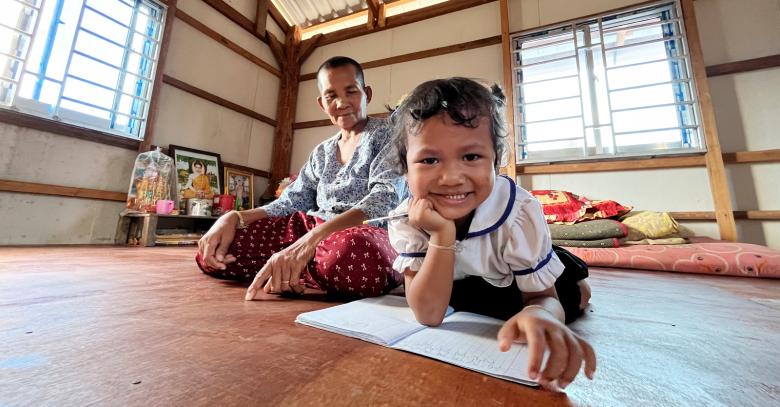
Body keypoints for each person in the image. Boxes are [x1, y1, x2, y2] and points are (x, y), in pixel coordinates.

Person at [387, 78, 596, 390]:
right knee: (467, 303)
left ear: (497, 160)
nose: (451, 178)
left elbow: (542, 298)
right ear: (405, 169)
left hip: (513, 277)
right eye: (429, 160)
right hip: (462, 281)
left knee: (573, 297)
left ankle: (571, 271)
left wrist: (543, 314)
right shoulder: (407, 217)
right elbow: (429, 314)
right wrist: (442, 235)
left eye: (471, 157)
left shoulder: (519, 212)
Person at [196, 56, 403, 300]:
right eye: (331, 96)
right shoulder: (322, 152)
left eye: (351, 91)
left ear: (366, 93)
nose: (341, 102)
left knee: (355, 255)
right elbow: (291, 201)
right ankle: (298, 269)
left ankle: (289, 267)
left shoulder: (388, 135)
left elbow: (383, 200)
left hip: (362, 233)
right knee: (220, 246)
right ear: (321, 103)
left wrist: (313, 240)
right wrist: (235, 217)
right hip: (310, 231)